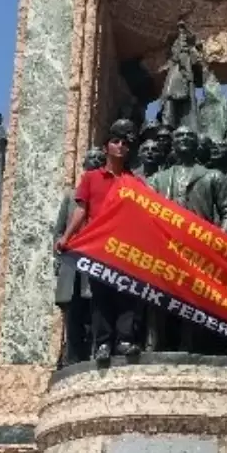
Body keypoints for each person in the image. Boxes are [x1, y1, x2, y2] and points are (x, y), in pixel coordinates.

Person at [56, 120, 142, 363]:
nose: (120, 147)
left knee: (126, 294)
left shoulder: (134, 182)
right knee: (101, 297)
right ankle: (103, 343)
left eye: (125, 144)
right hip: (99, 246)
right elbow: (81, 210)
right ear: (107, 148)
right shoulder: (92, 178)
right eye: (116, 142)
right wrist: (66, 236)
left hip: (124, 247)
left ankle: (124, 340)